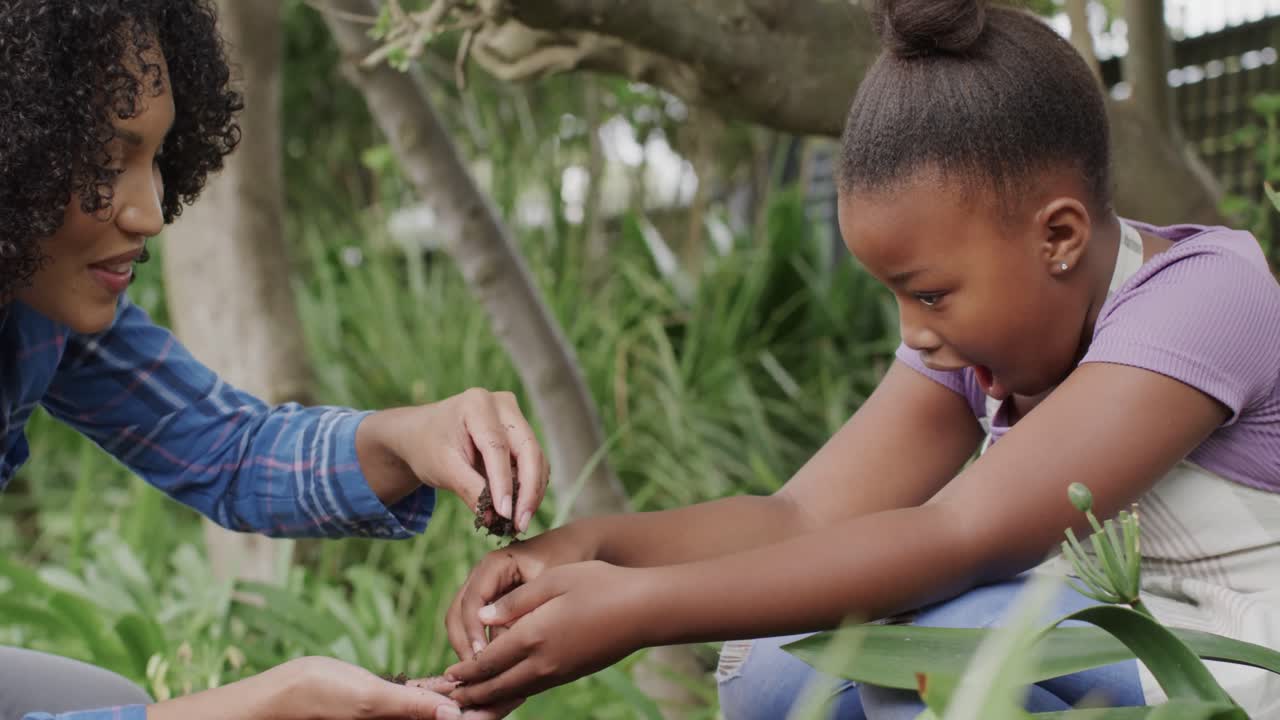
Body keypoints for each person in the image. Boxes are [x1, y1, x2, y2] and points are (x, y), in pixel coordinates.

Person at [441, 0, 1280, 717]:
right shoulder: (982, 336)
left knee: (927, 643)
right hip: (1118, 651)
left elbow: (959, 534)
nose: (912, 331)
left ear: (1058, 236)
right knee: (775, 671)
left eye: (930, 293)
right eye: (895, 295)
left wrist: (636, 610)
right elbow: (800, 519)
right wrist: (590, 550)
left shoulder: (1205, 297)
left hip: (1238, 667)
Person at [1, 2, 547, 719]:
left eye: (155, 159)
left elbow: (231, 451)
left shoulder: (41, 309)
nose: (149, 212)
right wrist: (262, 705)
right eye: (106, 163)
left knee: (108, 700)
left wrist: (410, 439)